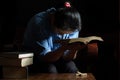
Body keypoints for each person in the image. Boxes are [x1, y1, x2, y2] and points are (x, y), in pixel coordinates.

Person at [23, 1, 82, 73]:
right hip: (35, 58)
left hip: (58, 56)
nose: (63, 36)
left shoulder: (74, 24)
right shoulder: (39, 23)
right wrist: (64, 47)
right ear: (53, 19)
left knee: (71, 68)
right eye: (60, 33)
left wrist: (74, 49)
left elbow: (66, 57)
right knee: (50, 70)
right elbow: (44, 57)